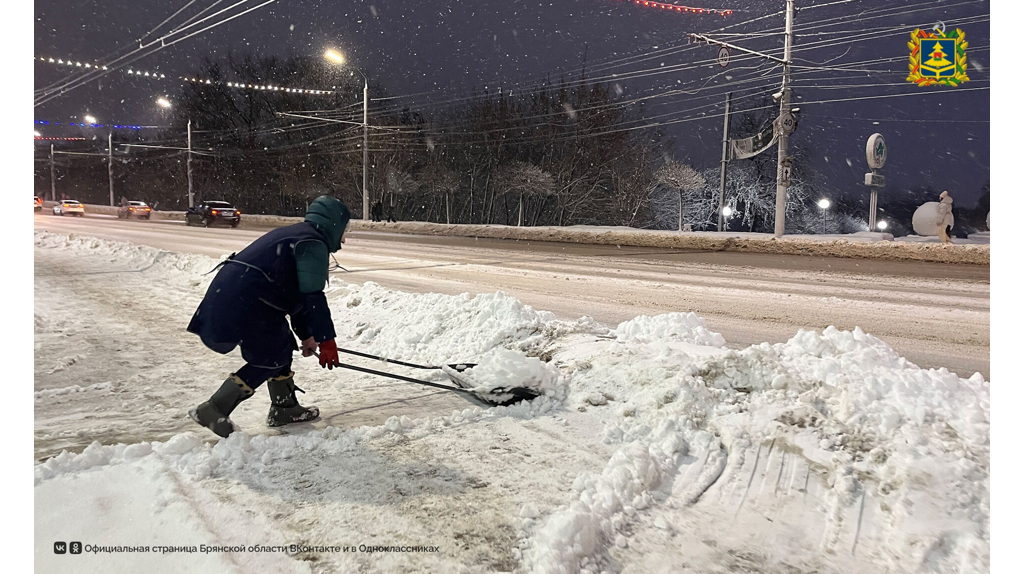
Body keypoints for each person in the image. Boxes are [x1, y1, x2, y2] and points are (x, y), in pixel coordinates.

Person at [187, 195, 349, 437]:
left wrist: (307, 336)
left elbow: (297, 297)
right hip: (248, 302)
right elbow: (313, 297)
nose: (345, 238)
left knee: (280, 345)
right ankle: (214, 409)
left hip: (244, 297)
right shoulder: (312, 243)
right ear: (333, 224)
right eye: (345, 229)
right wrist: (327, 342)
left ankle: (285, 408)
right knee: (270, 356)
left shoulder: (300, 235)